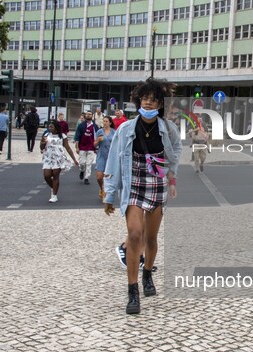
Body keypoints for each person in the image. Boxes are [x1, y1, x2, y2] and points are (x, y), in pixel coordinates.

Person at [104, 77, 182, 315]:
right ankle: (132, 291)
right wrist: (109, 194)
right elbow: (114, 160)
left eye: (154, 100)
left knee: (150, 238)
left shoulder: (168, 129)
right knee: (135, 234)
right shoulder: (126, 128)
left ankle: (147, 273)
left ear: (160, 104)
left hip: (156, 184)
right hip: (134, 184)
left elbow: (176, 151)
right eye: (145, 99)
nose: (148, 103)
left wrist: (172, 177)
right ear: (138, 100)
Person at [40, 120, 79, 203]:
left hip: (58, 158)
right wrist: (42, 142)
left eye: (51, 127)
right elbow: (42, 147)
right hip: (48, 157)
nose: (49, 128)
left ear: (56, 128)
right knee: (46, 176)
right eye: (49, 127)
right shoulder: (46, 135)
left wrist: (74, 159)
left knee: (55, 175)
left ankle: (54, 195)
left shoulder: (62, 136)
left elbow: (68, 148)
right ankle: (53, 187)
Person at [74, 110, 99, 185]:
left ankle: (87, 177)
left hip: (91, 147)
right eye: (87, 114)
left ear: (92, 116)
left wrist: (96, 147)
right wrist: (77, 147)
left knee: (89, 163)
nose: (88, 115)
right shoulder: (81, 125)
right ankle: (82, 170)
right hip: (82, 147)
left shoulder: (95, 126)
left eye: (90, 114)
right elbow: (77, 136)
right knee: (82, 163)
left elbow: (97, 137)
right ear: (85, 116)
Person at [94, 115, 116, 200]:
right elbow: (94, 144)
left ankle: (105, 191)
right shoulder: (99, 131)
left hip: (110, 156)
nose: (105, 123)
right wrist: (98, 141)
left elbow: (117, 144)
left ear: (110, 123)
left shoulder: (114, 132)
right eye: (104, 121)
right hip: (101, 155)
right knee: (99, 177)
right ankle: (101, 188)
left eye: (106, 121)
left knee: (107, 176)